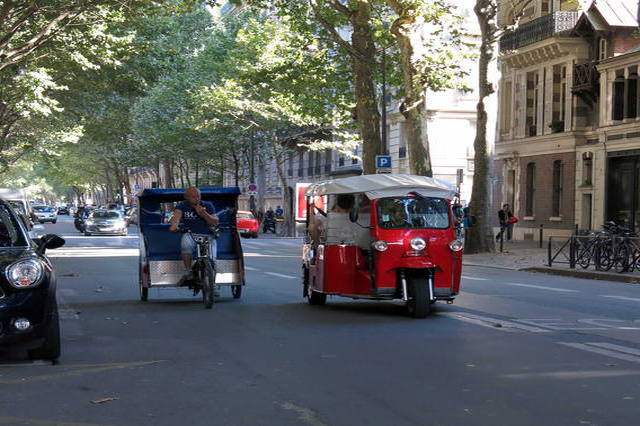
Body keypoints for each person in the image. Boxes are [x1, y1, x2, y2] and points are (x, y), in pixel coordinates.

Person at [169, 187, 219, 290]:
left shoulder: (208, 205)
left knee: (212, 261)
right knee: (185, 243)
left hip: (208, 235)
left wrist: (204, 214)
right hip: (191, 234)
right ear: (186, 197)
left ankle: (213, 285)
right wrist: (174, 225)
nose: (197, 199)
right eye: (193, 196)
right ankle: (188, 271)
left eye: (198, 196)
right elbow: (176, 217)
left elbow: (215, 222)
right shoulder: (182, 205)